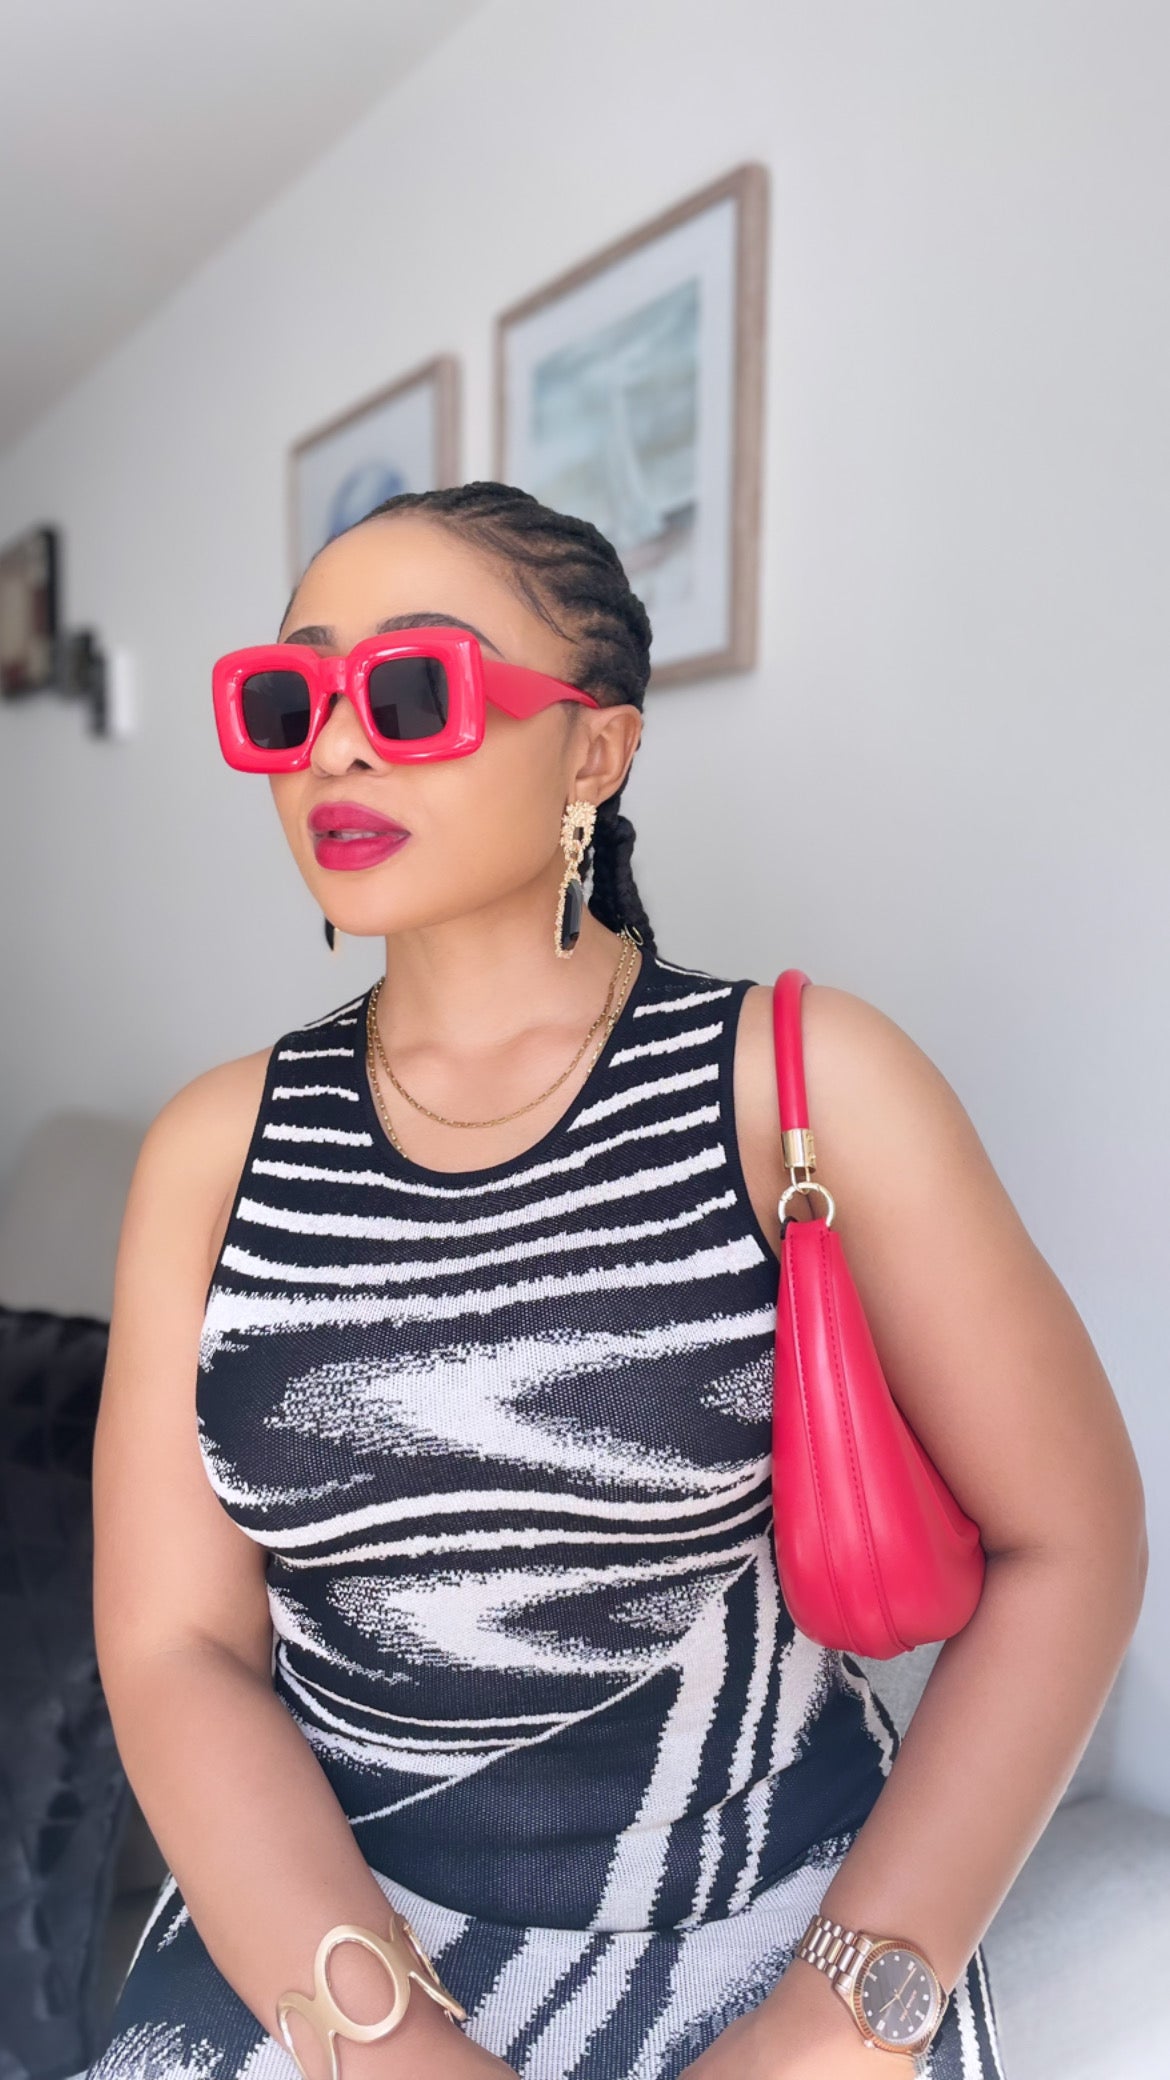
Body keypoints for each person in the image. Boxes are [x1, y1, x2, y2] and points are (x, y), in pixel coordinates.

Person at [89, 482, 1146, 2080]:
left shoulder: (801, 1085)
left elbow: (1070, 1542)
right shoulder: (211, 1149)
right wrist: (380, 2039)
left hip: (764, 1919)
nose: (335, 747)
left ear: (594, 749)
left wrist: (838, 2018)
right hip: (324, 1931)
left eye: (412, 690)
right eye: (290, 698)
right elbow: (178, 1648)